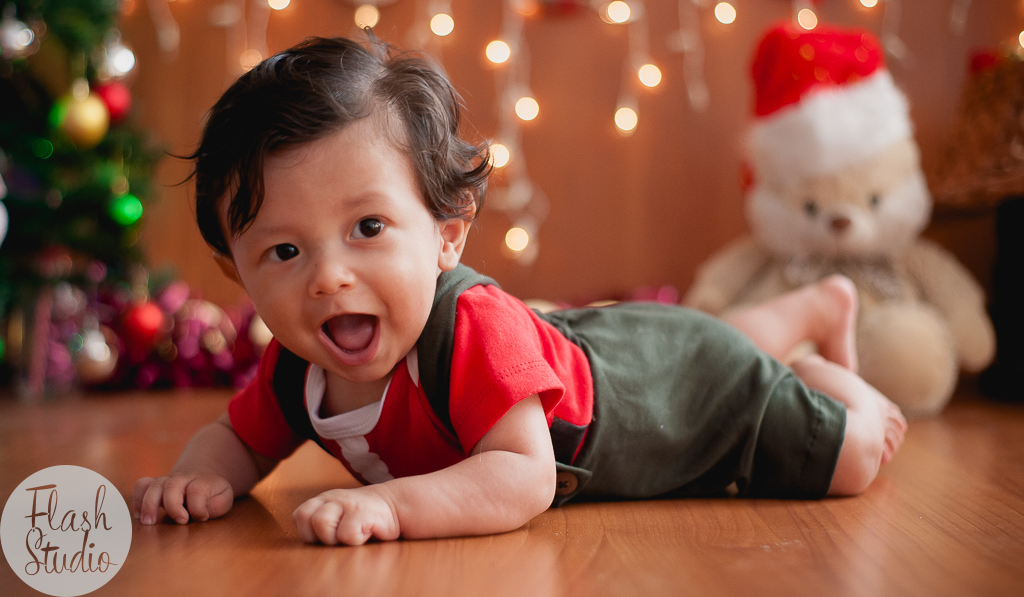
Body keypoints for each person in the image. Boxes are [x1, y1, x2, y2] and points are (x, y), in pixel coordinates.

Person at [133, 37, 907, 546]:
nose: (329, 276)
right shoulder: (297, 368)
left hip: (682, 400)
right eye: (285, 250)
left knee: (846, 458)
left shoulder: (470, 327)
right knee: (703, 338)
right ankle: (807, 310)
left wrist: (392, 505)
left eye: (368, 227)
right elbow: (242, 437)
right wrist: (201, 477)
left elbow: (525, 475)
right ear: (237, 271)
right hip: (632, 349)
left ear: (447, 234)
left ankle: (833, 376)